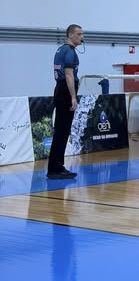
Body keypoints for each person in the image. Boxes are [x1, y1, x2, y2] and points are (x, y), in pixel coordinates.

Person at [46, 24, 84, 179]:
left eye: (82, 34)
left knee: (61, 132)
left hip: (60, 90)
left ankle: (57, 166)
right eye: (79, 34)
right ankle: (55, 169)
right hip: (65, 92)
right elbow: (69, 75)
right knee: (62, 132)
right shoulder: (69, 51)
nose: (81, 37)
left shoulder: (61, 50)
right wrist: (73, 97)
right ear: (70, 35)